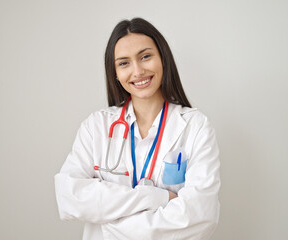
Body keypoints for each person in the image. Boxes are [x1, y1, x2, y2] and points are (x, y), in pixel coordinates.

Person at [55, 17, 221, 239]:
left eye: (145, 57)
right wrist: (157, 198)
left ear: (163, 59)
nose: (138, 71)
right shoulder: (96, 126)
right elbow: (69, 197)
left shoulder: (196, 126)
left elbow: (201, 215)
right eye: (124, 63)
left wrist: (110, 227)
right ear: (114, 72)